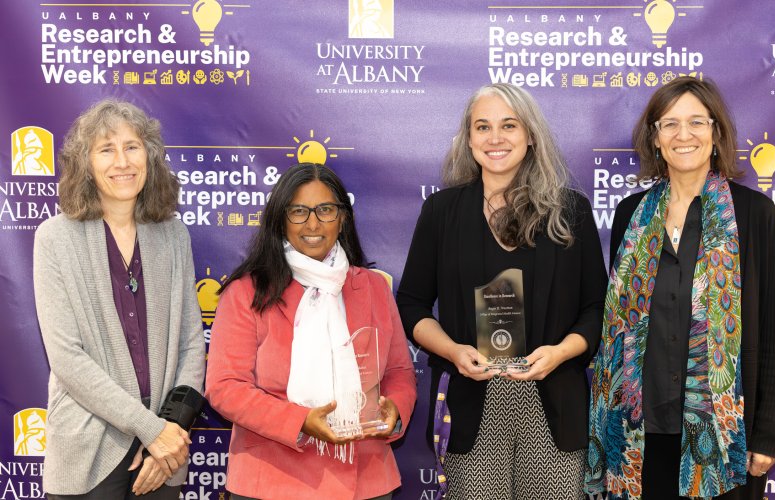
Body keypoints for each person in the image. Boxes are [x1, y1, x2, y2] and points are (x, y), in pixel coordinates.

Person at [396, 83, 607, 499]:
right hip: (472, 400)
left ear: (530, 135)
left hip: (554, 404)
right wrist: (453, 351)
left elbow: (596, 308)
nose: (495, 138)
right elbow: (412, 305)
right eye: (483, 126)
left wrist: (561, 352)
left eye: (508, 125)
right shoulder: (441, 213)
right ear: (469, 138)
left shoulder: (571, 211)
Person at [585, 76, 775, 499]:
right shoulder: (630, 215)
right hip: (639, 431)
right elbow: (617, 327)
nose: (684, 135)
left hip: (724, 434)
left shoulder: (754, 214)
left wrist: (768, 434)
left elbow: (772, 329)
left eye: (697, 122)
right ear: (655, 138)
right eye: (670, 124)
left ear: (715, 133)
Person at [205, 162, 416, 499]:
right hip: (273, 480)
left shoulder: (374, 288)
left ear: (343, 217)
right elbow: (225, 387)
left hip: (367, 480)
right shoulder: (246, 292)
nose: (313, 223)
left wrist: (396, 409)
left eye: (326, 210)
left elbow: (399, 371)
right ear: (280, 219)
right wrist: (299, 421)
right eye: (299, 211)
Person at [33, 99, 207, 498]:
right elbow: (67, 358)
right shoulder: (55, 239)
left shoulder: (173, 236)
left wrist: (168, 430)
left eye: (132, 146)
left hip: (162, 452)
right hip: (88, 447)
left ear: (149, 156)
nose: (122, 161)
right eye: (106, 149)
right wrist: (152, 430)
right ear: (86, 164)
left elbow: (191, 343)